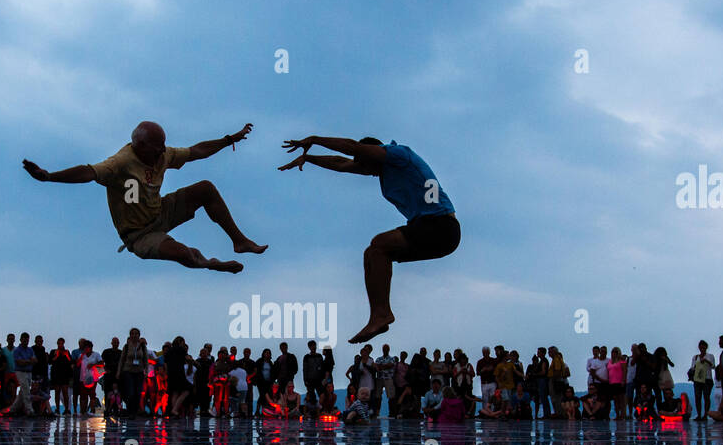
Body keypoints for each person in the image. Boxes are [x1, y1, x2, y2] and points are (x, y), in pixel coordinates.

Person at [279, 134, 460, 343]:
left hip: (441, 226)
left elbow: (350, 148)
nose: (365, 172)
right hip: (430, 230)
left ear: (371, 154)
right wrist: (309, 159)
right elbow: (342, 164)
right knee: (373, 253)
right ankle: (378, 315)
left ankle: (382, 314)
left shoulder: (398, 154)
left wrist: (314, 139)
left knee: (379, 244)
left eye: (364, 164)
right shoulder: (382, 168)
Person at [23, 121, 266, 272]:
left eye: (164, 146)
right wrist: (49, 176)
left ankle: (240, 241)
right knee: (183, 254)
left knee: (205, 188)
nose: (162, 152)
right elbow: (88, 172)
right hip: (139, 235)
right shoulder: (120, 164)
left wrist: (229, 140)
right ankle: (208, 263)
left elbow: (196, 151)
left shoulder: (163, 154)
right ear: (140, 146)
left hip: (161, 211)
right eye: (156, 147)